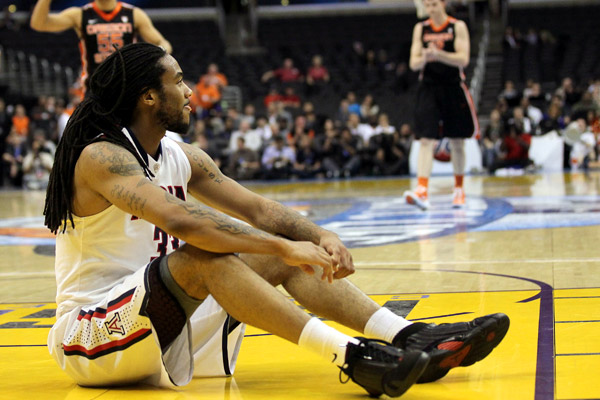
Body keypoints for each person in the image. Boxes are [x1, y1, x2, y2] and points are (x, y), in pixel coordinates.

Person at [43, 43, 509, 398]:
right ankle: (354, 358)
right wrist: (283, 245)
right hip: (92, 332)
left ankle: (409, 338)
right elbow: (181, 220)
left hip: (161, 321)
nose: (190, 92)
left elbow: (260, 210)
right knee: (210, 256)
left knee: (273, 257)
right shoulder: (101, 156)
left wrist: (317, 235)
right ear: (148, 97)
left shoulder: (180, 155)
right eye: (179, 81)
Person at [403, 0, 479, 210]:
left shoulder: (457, 26)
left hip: (453, 86)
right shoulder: (421, 28)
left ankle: (459, 188)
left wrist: (439, 55)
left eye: (434, 3)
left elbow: (463, 59)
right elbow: (413, 63)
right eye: (427, 4)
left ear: (443, 3)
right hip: (428, 88)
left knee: (457, 141)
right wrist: (426, 57)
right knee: (425, 139)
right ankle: (422, 189)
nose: (431, 7)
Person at [30, 0, 172, 91]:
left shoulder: (133, 14)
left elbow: (163, 43)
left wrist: (155, 55)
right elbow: (39, 24)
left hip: (128, 88)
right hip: (94, 90)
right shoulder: (80, 14)